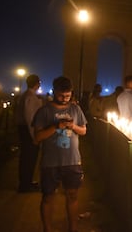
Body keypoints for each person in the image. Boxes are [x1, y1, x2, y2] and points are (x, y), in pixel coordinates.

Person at [32, 76, 87, 232]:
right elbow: (37, 138)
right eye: (61, 95)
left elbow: (83, 131)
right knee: (48, 197)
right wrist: (56, 127)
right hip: (50, 163)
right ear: (54, 91)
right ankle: (47, 229)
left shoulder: (75, 109)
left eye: (68, 96)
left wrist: (73, 126)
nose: (65, 99)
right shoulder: (44, 111)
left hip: (72, 161)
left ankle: (73, 228)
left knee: (73, 195)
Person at [15, 74, 43, 193]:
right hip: (28, 131)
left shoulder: (25, 95)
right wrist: (34, 136)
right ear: (37, 83)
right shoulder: (30, 97)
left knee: (26, 158)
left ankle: (26, 182)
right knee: (29, 158)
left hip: (24, 129)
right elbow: (30, 118)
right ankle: (25, 185)